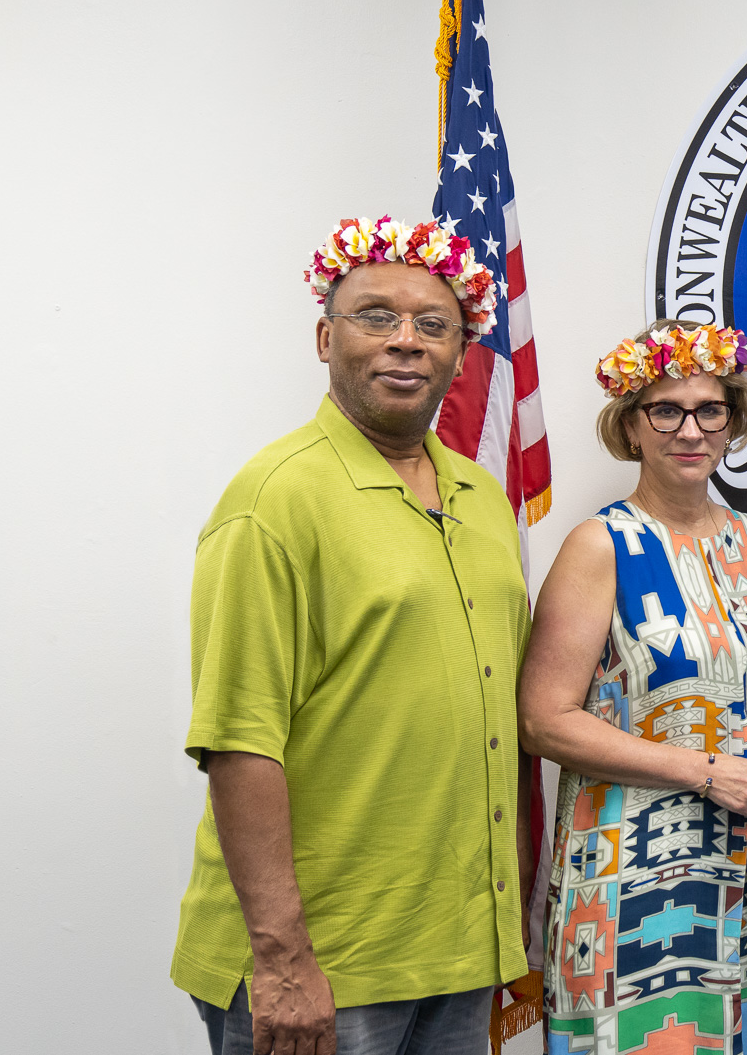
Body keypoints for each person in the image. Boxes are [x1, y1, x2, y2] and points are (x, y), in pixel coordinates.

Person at [175, 216, 531, 1055]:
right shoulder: (273, 498)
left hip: (455, 949)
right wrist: (284, 956)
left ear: (460, 350)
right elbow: (238, 740)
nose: (405, 341)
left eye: (432, 324)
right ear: (326, 336)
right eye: (376, 316)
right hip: (326, 964)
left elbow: (496, 712)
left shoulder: (482, 497)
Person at [519, 320, 747, 1055]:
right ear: (631, 425)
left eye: (709, 410)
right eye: (666, 410)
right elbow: (543, 720)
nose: (690, 429)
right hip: (635, 882)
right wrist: (704, 770)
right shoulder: (602, 545)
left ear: (733, 422)